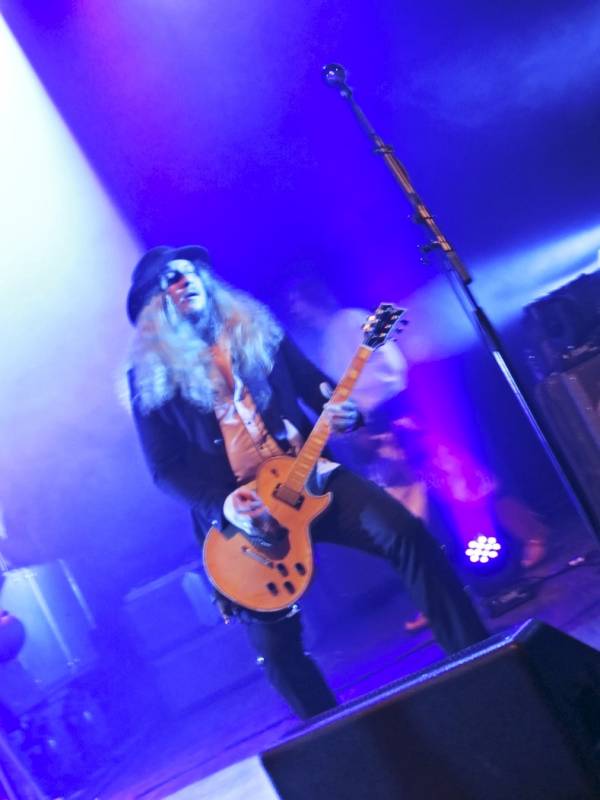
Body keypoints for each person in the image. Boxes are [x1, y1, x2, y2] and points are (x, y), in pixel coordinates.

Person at [125, 245, 489, 719]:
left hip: (310, 475)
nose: (183, 281)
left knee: (406, 534)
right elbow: (164, 469)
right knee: (275, 645)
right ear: (155, 308)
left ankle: (478, 660)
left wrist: (349, 414)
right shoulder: (149, 378)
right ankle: (331, 733)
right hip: (246, 517)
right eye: (168, 280)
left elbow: (318, 389)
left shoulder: (258, 332)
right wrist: (225, 505)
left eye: (188, 271)